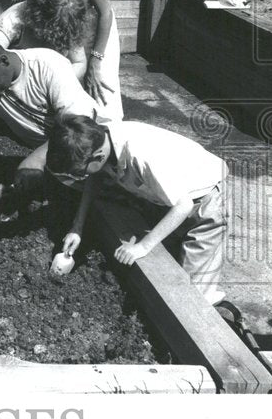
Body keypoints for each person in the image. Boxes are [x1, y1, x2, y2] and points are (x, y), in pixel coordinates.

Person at [45, 115, 228, 305]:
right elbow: (94, 176)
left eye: (79, 172)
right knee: (170, 267)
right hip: (162, 197)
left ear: (98, 157)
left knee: (193, 299)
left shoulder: (141, 157)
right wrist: (77, 227)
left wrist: (143, 247)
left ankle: (216, 303)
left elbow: (184, 206)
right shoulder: (97, 140)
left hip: (203, 202)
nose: (79, 177)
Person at [0, 35, 106, 205]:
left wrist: (36, 160)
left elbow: (78, 128)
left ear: (4, 60)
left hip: (93, 147)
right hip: (55, 153)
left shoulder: (48, 65)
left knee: (94, 200)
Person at [0, 0, 92, 81]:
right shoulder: (14, 18)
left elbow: (79, 63)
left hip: (52, 80)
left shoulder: (72, 22)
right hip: (14, 78)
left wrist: (57, 82)